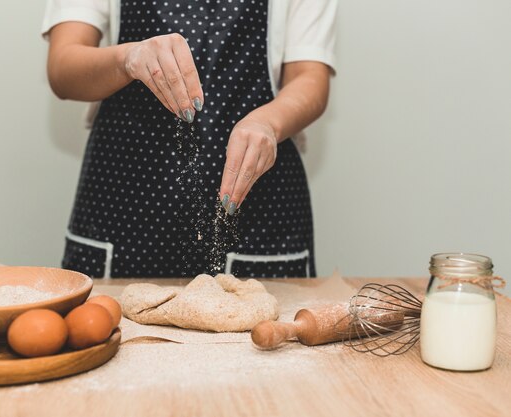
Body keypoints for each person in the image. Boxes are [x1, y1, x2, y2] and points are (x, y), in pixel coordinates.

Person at [42, 0, 336, 278]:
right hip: (122, 211)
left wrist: (268, 123)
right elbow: (63, 67)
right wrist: (126, 59)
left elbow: (309, 77)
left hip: (258, 214)